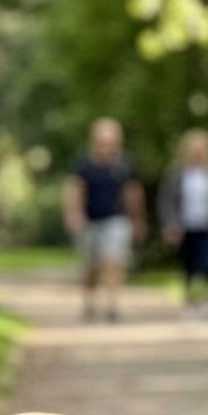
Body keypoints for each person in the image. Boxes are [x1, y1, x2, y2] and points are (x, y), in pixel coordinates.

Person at [62, 118, 143, 323]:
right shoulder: (84, 164)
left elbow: (132, 192)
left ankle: (112, 305)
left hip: (116, 220)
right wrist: (73, 214)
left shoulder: (125, 164)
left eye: (111, 141)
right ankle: (89, 300)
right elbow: (75, 189)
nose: (107, 145)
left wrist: (136, 219)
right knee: (92, 266)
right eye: (102, 141)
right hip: (90, 221)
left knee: (113, 261)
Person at [156, 129, 208, 320]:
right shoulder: (177, 174)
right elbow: (167, 201)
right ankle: (189, 302)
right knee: (188, 266)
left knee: (207, 263)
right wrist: (170, 224)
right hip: (185, 227)